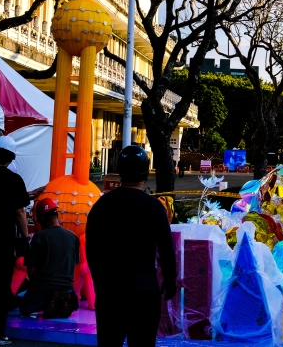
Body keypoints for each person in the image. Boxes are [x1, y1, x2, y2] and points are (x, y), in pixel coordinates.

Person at [87, 146, 177, 347]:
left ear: (119, 171)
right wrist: (170, 280)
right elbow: (167, 249)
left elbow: (92, 249)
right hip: (145, 292)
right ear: (146, 172)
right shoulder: (154, 207)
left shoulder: (102, 206)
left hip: (110, 292)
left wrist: (99, 282)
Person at [0, 136, 29, 345]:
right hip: (2, 241)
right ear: (10, 158)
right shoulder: (13, 180)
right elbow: (19, 212)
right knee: (0, 285)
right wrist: (25, 238)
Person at [19, 199, 80, 318]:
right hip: (67, 286)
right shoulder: (73, 237)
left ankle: (47, 301)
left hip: (44, 286)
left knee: (24, 308)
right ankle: (64, 298)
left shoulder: (39, 237)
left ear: (41, 218)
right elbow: (74, 265)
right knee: (62, 293)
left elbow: (31, 270)